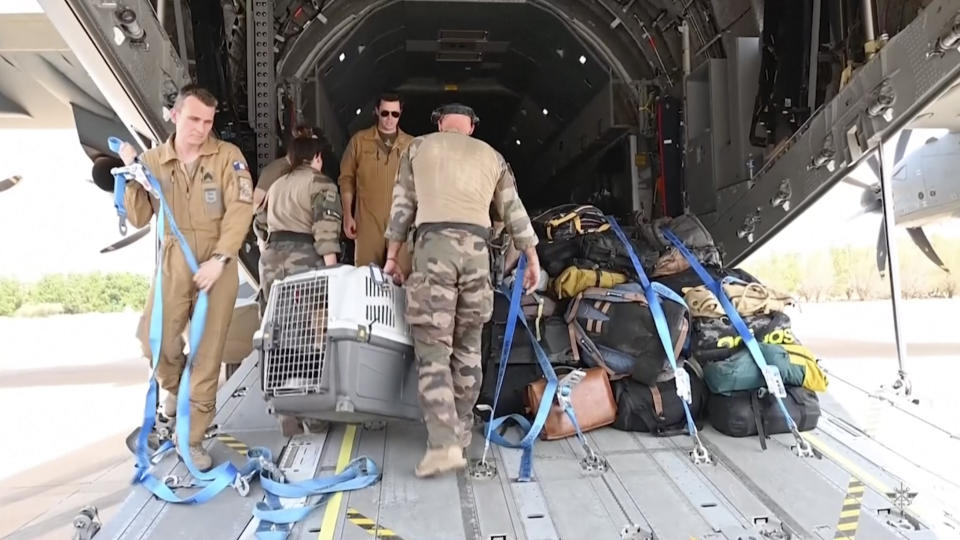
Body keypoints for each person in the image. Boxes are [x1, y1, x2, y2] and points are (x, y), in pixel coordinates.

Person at [383, 103, 542, 478]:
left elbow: (402, 206)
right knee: (469, 347)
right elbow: (513, 210)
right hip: (476, 253)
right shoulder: (492, 156)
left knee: (434, 350)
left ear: (439, 124)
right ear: (470, 127)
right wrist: (532, 258)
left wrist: (392, 255)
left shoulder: (418, 148)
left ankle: (442, 445)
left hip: (433, 249)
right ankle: (460, 431)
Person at [118, 84, 254, 471]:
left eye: (208, 121)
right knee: (152, 342)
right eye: (194, 119)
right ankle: (176, 396)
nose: (201, 128)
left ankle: (191, 439)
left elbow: (240, 210)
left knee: (207, 357)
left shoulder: (228, 157)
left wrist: (223, 257)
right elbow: (140, 218)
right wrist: (132, 177)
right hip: (174, 260)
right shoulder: (154, 160)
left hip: (217, 265)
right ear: (175, 116)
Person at [253, 135, 341, 305]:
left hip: (271, 262)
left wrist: (267, 251)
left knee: (274, 321)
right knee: (305, 323)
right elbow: (326, 232)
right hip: (305, 261)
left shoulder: (277, 184)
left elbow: (259, 224)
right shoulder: (321, 183)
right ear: (317, 157)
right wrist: (332, 272)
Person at [339, 92, 414, 270]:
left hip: (401, 223)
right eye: (385, 113)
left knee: (402, 277)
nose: (389, 119)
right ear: (376, 111)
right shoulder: (359, 142)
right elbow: (346, 179)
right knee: (366, 276)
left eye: (394, 114)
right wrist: (347, 215)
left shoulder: (411, 145)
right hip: (367, 222)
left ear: (400, 113)